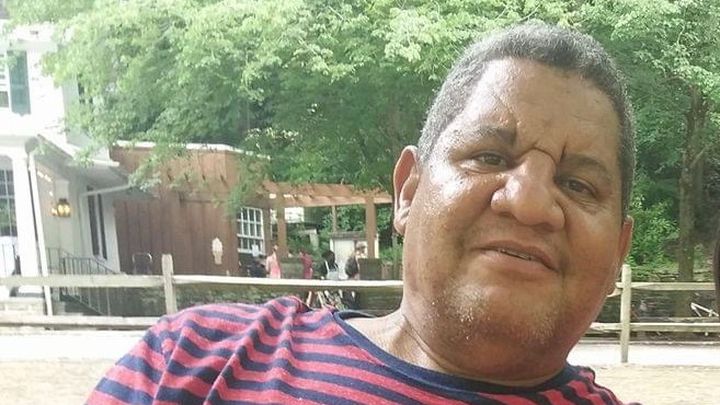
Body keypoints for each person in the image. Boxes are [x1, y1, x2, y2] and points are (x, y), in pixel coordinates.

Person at [88, 22, 637, 404]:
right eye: (490, 157)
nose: (529, 202)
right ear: (408, 191)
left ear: (617, 253)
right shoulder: (192, 359)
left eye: (578, 184)